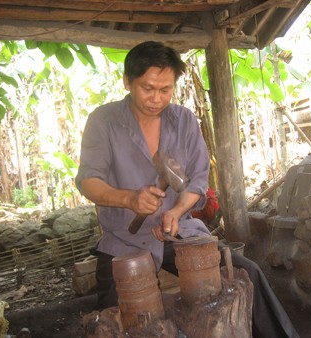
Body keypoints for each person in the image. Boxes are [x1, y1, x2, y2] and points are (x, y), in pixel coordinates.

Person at [75, 40, 299, 338]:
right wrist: (129, 198)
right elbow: (88, 181)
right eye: (148, 88)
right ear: (127, 81)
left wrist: (177, 212)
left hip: (181, 234)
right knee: (112, 316)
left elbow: (197, 180)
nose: (156, 98)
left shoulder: (182, 120)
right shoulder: (103, 121)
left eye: (165, 89)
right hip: (124, 242)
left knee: (247, 274)